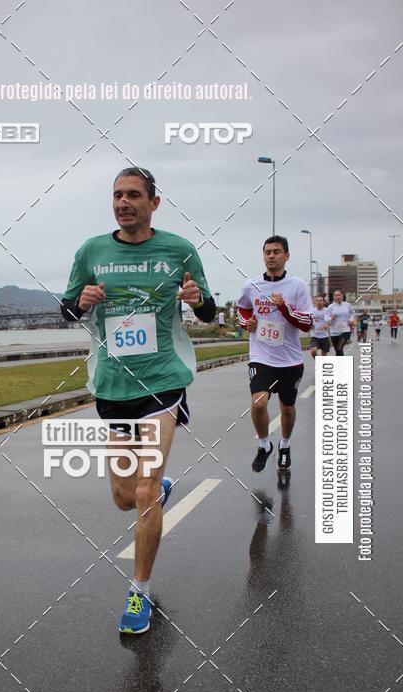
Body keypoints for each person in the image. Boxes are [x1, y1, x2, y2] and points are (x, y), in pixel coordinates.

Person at [61, 167, 215, 634]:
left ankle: (139, 592)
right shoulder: (92, 250)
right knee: (123, 497)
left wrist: (195, 299)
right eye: (117, 195)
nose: (123, 202)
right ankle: (159, 491)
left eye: (133, 195)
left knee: (145, 492)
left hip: (161, 384)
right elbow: (67, 308)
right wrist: (82, 302)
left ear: (154, 201)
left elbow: (208, 308)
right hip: (112, 384)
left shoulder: (178, 249)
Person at [237, 235, 312, 473]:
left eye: (276, 251)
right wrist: (246, 322)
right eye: (267, 252)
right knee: (258, 404)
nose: (271, 256)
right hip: (261, 356)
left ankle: (285, 444)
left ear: (286, 256)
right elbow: (242, 309)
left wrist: (284, 307)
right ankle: (264, 444)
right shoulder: (251, 285)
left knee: (287, 408)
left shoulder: (297, 286)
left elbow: (307, 323)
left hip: (290, 359)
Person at [326, 290, 355, 355]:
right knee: (338, 351)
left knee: (339, 348)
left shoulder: (347, 305)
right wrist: (331, 318)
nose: (337, 297)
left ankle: (341, 364)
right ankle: (341, 364)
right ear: (334, 297)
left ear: (342, 296)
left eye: (339, 295)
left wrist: (350, 320)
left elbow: (352, 312)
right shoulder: (330, 307)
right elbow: (326, 318)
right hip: (334, 332)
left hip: (345, 330)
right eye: (335, 295)